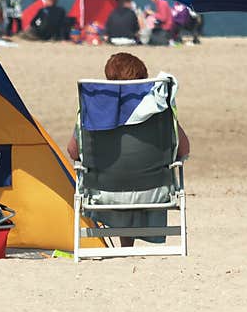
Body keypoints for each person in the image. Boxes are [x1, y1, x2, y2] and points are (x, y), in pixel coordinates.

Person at [67, 53, 190, 247]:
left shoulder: (94, 110)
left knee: (119, 171)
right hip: (154, 192)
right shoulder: (159, 108)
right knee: (134, 171)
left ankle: (125, 243)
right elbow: (183, 149)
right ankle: (127, 243)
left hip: (103, 193)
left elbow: (73, 152)